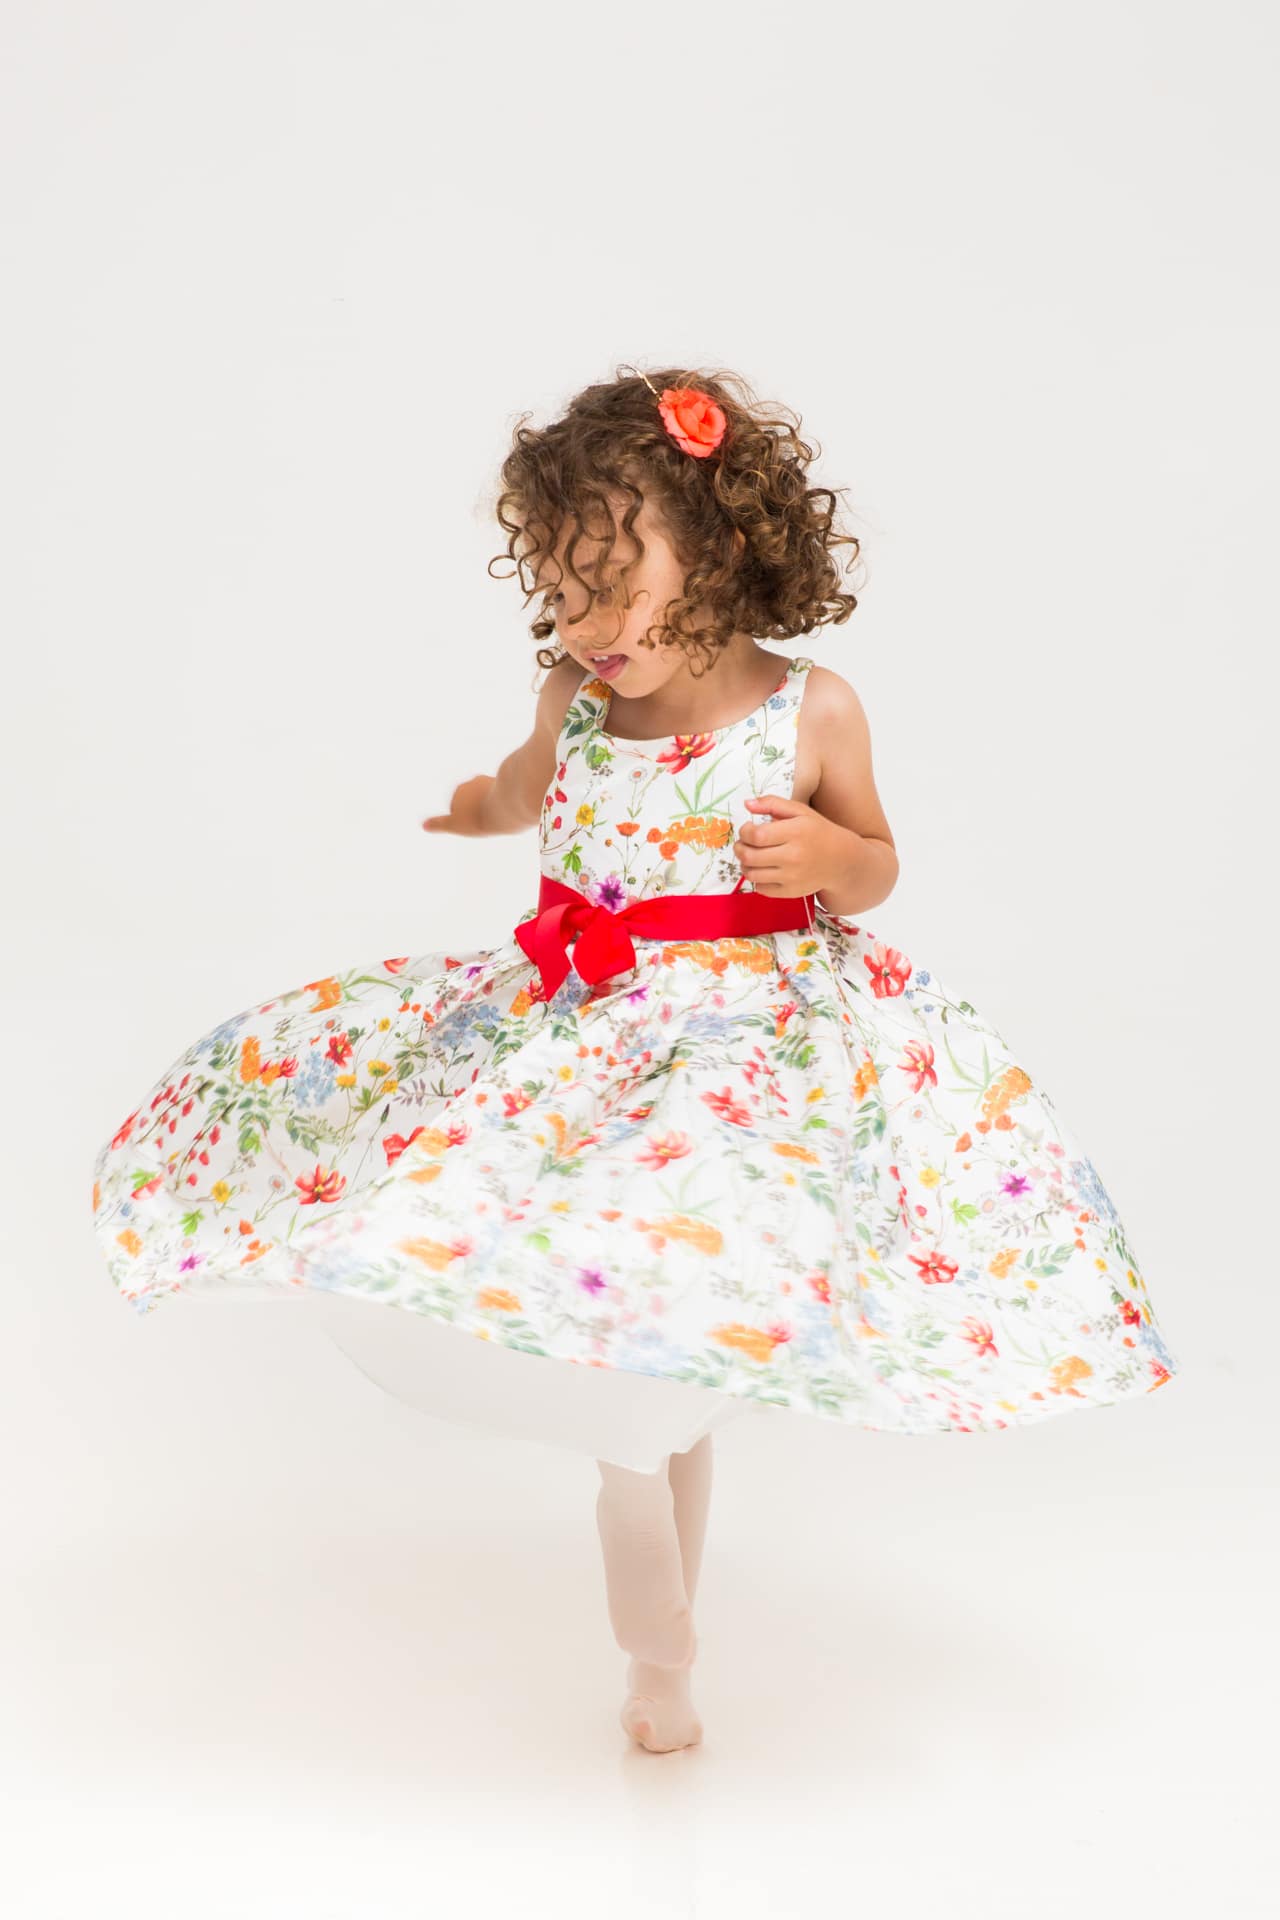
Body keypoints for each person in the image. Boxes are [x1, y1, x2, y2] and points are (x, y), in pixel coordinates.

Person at [90, 363, 1181, 1755]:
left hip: (743, 1065)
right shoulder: (577, 698)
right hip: (584, 1048)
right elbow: (526, 785)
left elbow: (878, 862)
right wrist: (477, 809)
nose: (584, 627)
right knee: (601, 1339)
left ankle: (656, 1654)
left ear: (718, 550)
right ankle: (653, 1627)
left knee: (672, 1359)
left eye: (612, 588)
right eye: (559, 594)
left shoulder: (811, 712)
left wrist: (829, 857)